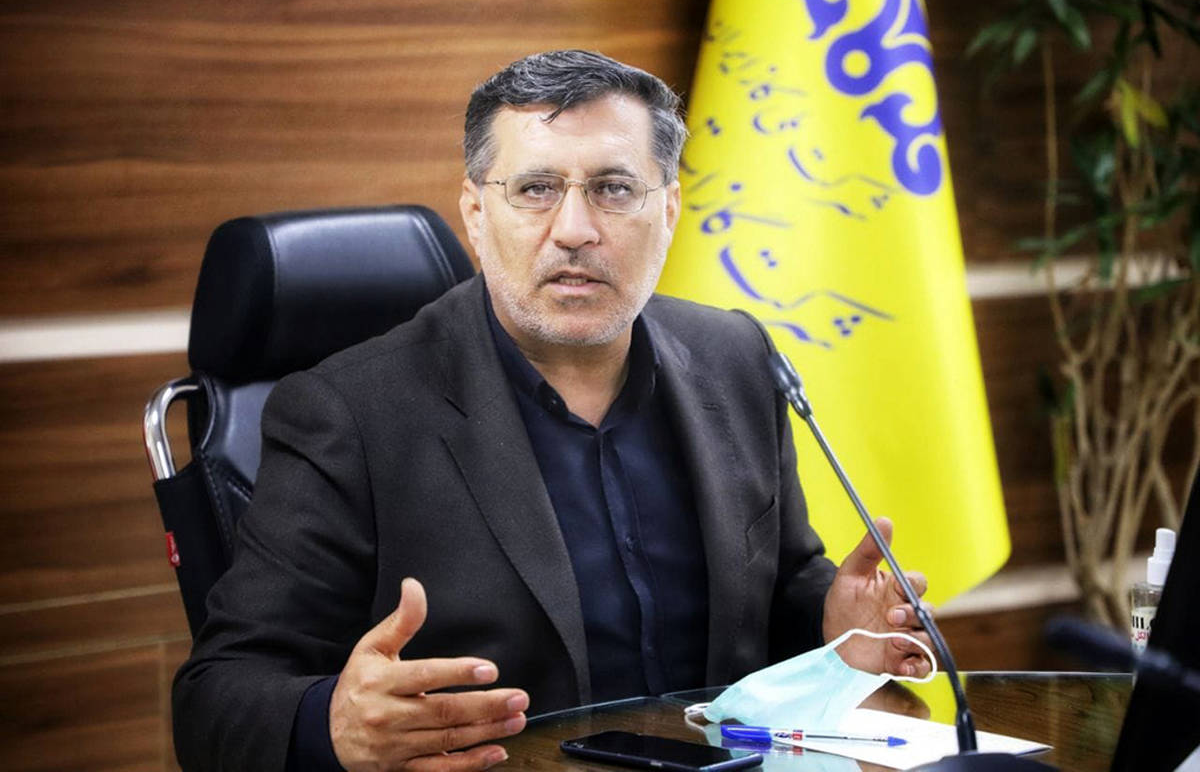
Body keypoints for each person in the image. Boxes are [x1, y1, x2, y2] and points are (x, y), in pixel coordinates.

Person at [172, 50, 932, 772]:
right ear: (475, 212)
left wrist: (831, 630)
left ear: (669, 210)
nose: (574, 229)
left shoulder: (734, 355)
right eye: (536, 188)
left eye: (614, 188)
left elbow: (781, 588)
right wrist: (333, 724)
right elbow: (215, 698)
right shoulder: (349, 412)